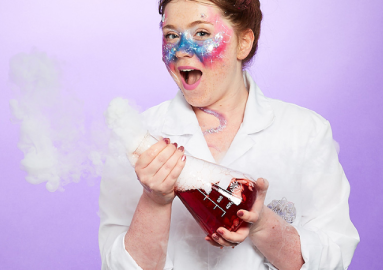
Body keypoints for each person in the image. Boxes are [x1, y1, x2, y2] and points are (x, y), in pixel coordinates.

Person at [99, 0, 360, 269]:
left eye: (201, 33)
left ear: (243, 42)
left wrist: (261, 225)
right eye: (171, 35)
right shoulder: (137, 139)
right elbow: (116, 266)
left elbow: (332, 261)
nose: (180, 51)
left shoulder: (306, 132)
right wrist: (154, 201)